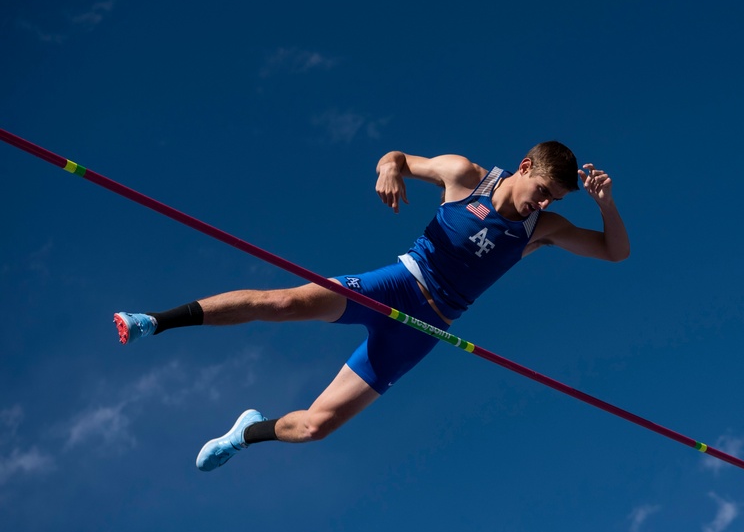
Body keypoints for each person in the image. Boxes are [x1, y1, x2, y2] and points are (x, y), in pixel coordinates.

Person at [113, 141, 630, 471]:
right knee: (285, 302)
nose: (542, 205)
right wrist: (389, 168)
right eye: (542, 191)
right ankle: (153, 322)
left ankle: (247, 432)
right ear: (524, 167)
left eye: (553, 201)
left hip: (427, 327)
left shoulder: (543, 230)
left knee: (317, 427)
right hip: (397, 285)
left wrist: (605, 205)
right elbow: (398, 157)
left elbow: (614, 252)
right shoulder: (464, 174)